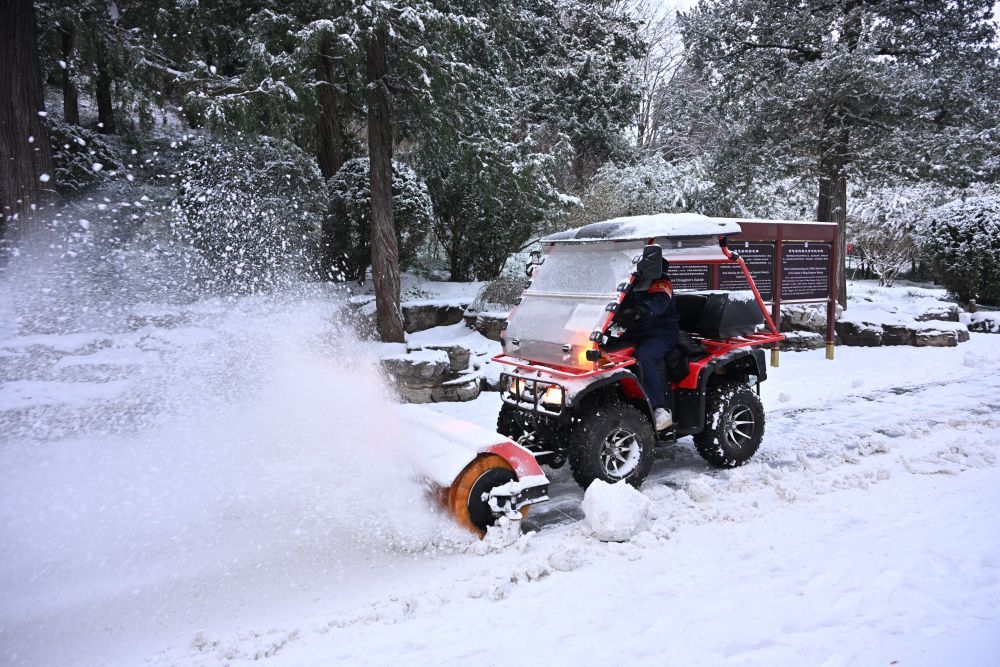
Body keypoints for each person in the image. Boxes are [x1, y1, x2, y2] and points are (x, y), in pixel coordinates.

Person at [616, 262, 680, 430]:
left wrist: (642, 310)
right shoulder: (631, 281)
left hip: (661, 332)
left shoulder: (661, 281)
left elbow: (659, 301)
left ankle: (660, 408)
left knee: (644, 357)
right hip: (636, 331)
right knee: (607, 353)